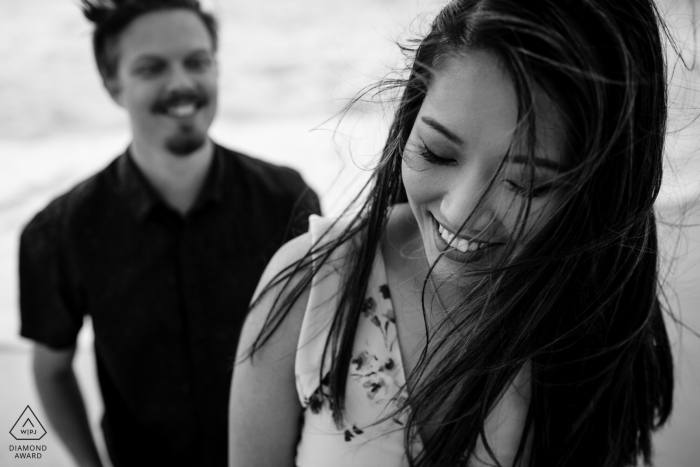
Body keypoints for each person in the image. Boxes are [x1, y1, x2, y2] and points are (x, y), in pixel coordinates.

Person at [228, 0, 676, 466]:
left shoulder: (597, 320)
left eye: (528, 183)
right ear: (408, 124)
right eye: (439, 153)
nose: (460, 210)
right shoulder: (310, 288)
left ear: (601, 190)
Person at [18, 1, 320, 466]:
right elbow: (52, 369)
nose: (181, 83)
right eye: (152, 68)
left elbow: (317, 345)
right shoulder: (60, 231)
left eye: (197, 61)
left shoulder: (286, 199)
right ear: (112, 83)